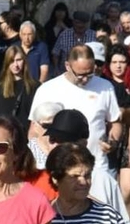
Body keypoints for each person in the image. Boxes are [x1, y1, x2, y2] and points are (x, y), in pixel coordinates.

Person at [29, 45, 122, 174]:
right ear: (67, 66)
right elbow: (33, 131)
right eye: (80, 75)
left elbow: (115, 122)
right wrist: (43, 159)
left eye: (90, 73)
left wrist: (113, 142)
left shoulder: (105, 87)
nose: (85, 79)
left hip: (97, 166)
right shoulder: (47, 90)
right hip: (61, 170)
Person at [105, 45, 130, 217]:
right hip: (110, 139)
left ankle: (128, 221)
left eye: (122, 62)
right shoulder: (104, 85)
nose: (118, 66)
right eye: (114, 62)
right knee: (111, 188)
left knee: (128, 188)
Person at [0, 45, 38, 130]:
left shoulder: (34, 86)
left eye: (19, 60)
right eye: (11, 61)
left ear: (24, 61)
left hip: (25, 133)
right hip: (3, 132)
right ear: (7, 63)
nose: (15, 65)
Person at [51, 11, 91, 76]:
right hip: (65, 73)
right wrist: (56, 69)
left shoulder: (93, 35)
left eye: (83, 24)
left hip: (86, 75)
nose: (80, 25)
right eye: (78, 23)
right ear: (73, 22)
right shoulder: (64, 35)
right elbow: (55, 53)